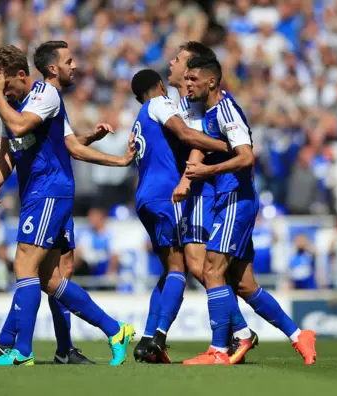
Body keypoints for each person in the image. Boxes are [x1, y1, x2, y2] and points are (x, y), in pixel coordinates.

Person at [0, 41, 135, 367]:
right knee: (50, 280)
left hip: (48, 192)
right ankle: (114, 329)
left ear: (21, 75)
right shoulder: (20, 103)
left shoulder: (44, 95)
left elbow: (21, 127)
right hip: (43, 192)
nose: (0, 90)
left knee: (24, 266)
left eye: (3, 82)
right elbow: (34, 146)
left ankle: (20, 350)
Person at [182, 55, 316, 365]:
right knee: (243, 283)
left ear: (211, 82)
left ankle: (220, 348)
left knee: (211, 270)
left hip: (235, 199)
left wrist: (206, 172)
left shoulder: (226, 111)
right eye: (185, 79)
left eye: (193, 80)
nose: (188, 85)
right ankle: (298, 335)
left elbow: (246, 157)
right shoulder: (210, 111)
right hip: (226, 199)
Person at [128, 68, 240, 363]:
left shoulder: (139, 117)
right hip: (167, 195)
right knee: (181, 267)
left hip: (145, 197)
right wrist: (228, 146)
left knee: (169, 270)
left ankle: (149, 338)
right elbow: (186, 133)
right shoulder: (159, 103)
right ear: (160, 87)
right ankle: (159, 339)